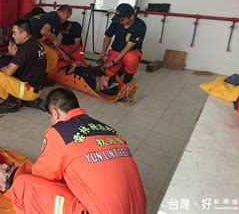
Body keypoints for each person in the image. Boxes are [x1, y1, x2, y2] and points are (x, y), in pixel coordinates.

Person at [10, 88, 146, 213]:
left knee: (22, 184)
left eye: (50, 117)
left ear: (55, 113)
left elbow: (41, 174)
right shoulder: (109, 130)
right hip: (140, 209)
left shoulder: (61, 132)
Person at [0, 19, 47, 113]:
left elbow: (8, 71)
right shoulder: (36, 43)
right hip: (37, 88)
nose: (12, 36)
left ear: (24, 34)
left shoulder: (24, 49)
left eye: (15, 33)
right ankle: (27, 100)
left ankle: (11, 103)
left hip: (28, 90)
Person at [98, 3, 146, 83]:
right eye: (118, 19)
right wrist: (103, 52)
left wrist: (113, 63)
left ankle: (128, 76)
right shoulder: (117, 21)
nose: (120, 22)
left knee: (131, 58)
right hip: (116, 50)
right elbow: (108, 36)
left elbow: (128, 47)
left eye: (122, 20)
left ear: (131, 17)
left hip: (131, 51)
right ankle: (121, 68)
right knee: (108, 73)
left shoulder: (140, 26)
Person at [28, 4, 72, 73]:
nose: (66, 19)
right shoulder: (56, 18)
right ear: (64, 13)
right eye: (67, 17)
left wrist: (62, 53)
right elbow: (44, 31)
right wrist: (55, 39)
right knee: (53, 55)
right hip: (27, 37)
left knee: (45, 49)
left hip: (26, 34)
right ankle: (45, 75)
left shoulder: (51, 14)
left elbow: (45, 35)